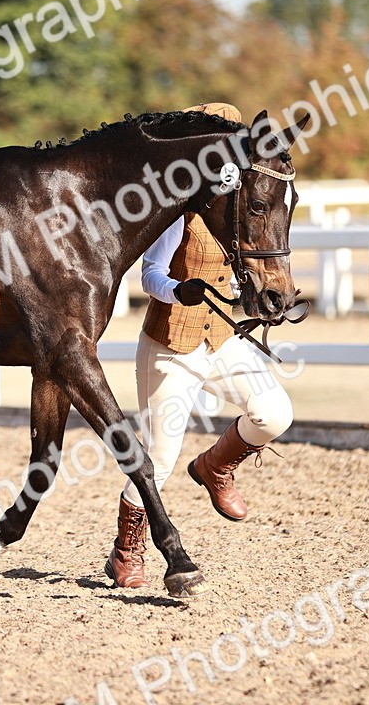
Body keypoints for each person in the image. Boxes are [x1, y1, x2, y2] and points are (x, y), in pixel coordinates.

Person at [105, 103, 295, 589]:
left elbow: (243, 268)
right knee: (160, 459)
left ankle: (215, 466)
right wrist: (181, 289)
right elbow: (150, 275)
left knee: (274, 413)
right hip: (171, 344)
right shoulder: (177, 211)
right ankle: (126, 550)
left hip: (220, 337)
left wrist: (256, 296)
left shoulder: (236, 206)